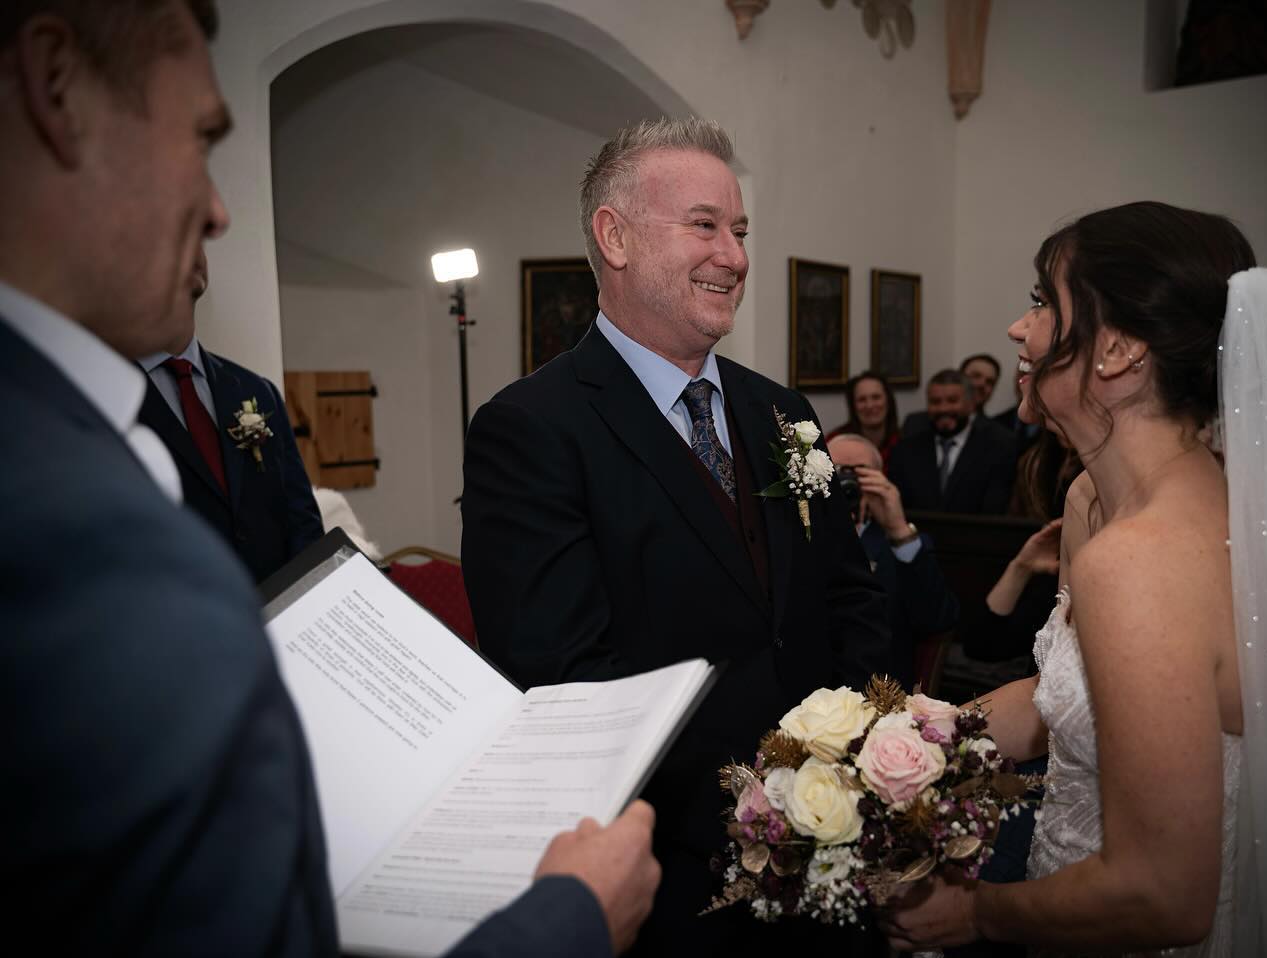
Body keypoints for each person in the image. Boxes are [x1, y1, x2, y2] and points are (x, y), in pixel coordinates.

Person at [0, 3, 658, 955]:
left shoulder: (84, 433)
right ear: (58, 88)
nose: (219, 209)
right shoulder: (62, 525)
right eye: (200, 138)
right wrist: (571, 919)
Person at [878, 201, 1267, 955]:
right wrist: (898, 743)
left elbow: (1163, 895)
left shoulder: (1140, 559)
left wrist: (977, 915)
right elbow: (1068, 697)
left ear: (1119, 350)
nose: (1018, 328)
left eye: (1043, 301)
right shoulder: (1092, 502)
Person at [460, 117, 890, 957]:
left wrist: (856, 770)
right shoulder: (532, 429)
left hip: (837, 855)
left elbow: (851, 597)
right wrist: (755, 813)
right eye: (704, 225)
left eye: (740, 231)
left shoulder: (782, 411)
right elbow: (564, 678)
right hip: (676, 884)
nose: (734, 256)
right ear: (614, 237)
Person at [138, 248, 322, 583]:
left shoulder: (255, 391)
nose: (192, 246)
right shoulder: (104, 399)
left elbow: (302, 520)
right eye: (178, 233)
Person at [828, 433, 959, 690]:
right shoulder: (799, 532)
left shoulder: (900, 545)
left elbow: (937, 620)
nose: (846, 481)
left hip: (876, 689)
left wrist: (898, 529)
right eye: (837, 470)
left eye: (859, 472)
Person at [887, 368, 1017, 515]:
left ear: (971, 404)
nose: (943, 409)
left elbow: (995, 509)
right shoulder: (906, 450)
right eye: (935, 402)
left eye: (952, 401)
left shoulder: (998, 447)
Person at [827, 369, 902, 466]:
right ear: (853, 406)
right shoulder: (836, 442)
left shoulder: (904, 443)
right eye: (862, 400)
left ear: (888, 401)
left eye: (876, 397)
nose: (869, 405)